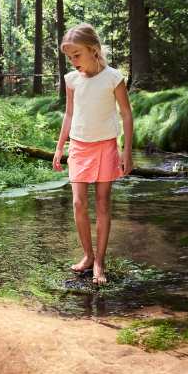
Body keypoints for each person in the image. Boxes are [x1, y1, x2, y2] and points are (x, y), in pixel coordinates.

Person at [52, 23, 134, 285]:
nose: (73, 61)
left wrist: (126, 151)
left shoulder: (113, 77)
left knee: (102, 203)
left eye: (77, 55)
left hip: (105, 146)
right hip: (78, 146)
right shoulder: (71, 80)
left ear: (94, 50)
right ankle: (87, 255)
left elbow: (126, 114)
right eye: (69, 57)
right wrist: (59, 146)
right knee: (78, 203)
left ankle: (100, 261)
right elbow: (69, 114)